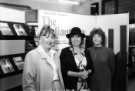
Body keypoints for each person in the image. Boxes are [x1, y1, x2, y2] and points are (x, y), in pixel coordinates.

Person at [22, 25, 65, 91]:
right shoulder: (31, 55)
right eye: (47, 37)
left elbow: (59, 76)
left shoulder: (55, 54)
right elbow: (28, 83)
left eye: (52, 37)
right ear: (39, 38)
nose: (50, 40)